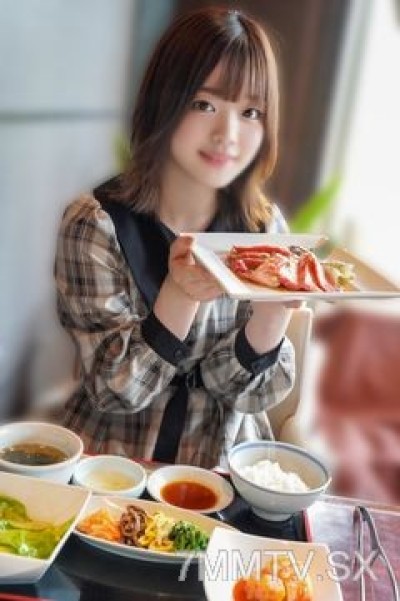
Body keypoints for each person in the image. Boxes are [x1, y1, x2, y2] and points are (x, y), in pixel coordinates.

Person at [54, 6, 297, 469]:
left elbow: (244, 395)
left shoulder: (265, 231)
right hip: (114, 468)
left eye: (250, 112)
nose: (228, 135)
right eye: (205, 104)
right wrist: (179, 295)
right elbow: (113, 390)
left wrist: (271, 316)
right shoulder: (96, 223)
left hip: (223, 468)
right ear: (164, 101)